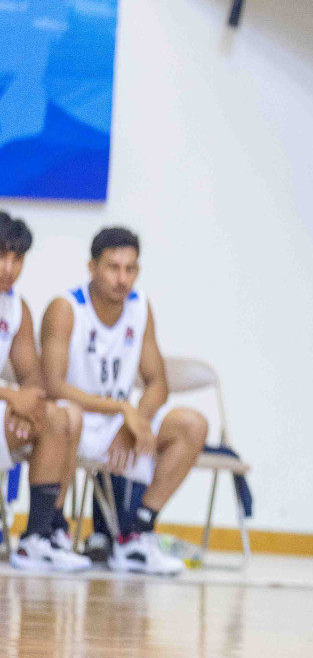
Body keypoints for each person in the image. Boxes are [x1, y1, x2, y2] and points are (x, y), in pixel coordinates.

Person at [40, 227, 209, 576]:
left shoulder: (140, 307)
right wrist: (123, 411)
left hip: (122, 420)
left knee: (192, 424)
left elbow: (158, 383)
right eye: (113, 267)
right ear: (92, 267)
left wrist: (136, 421)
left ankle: (136, 535)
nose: (122, 278)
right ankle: (52, 530)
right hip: (76, 421)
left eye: (130, 269)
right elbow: (54, 386)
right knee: (66, 417)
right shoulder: (66, 307)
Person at [0, 213, 88, 572]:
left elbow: (34, 381)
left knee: (60, 414)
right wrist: (11, 398)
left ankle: (38, 537)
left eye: (18, 259)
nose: (9, 267)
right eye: (2, 256)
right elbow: (18, 391)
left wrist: (25, 406)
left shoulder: (16, 307)